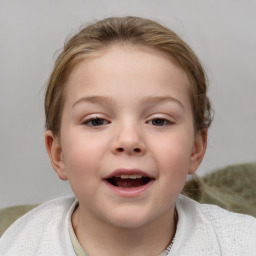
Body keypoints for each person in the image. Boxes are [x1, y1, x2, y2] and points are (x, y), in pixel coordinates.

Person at [0, 16, 255, 256]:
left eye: (158, 120)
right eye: (96, 120)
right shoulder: (16, 246)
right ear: (58, 155)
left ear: (195, 149)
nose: (129, 141)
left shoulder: (242, 244)